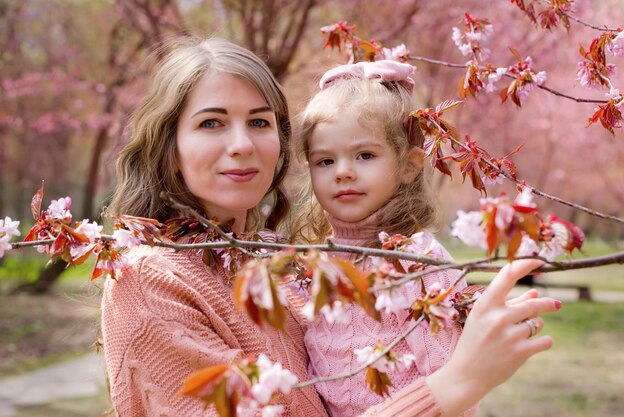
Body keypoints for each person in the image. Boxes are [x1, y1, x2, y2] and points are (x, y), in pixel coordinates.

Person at [101, 36, 560, 417]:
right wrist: (456, 383)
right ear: (169, 144)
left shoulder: (284, 264)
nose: (241, 144)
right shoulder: (149, 282)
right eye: (211, 123)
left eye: (259, 122)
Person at [289, 60, 560, 417]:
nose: (342, 172)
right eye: (325, 161)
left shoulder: (416, 262)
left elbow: (451, 379)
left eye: (365, 155)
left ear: (408, 165)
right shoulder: (312, 265)